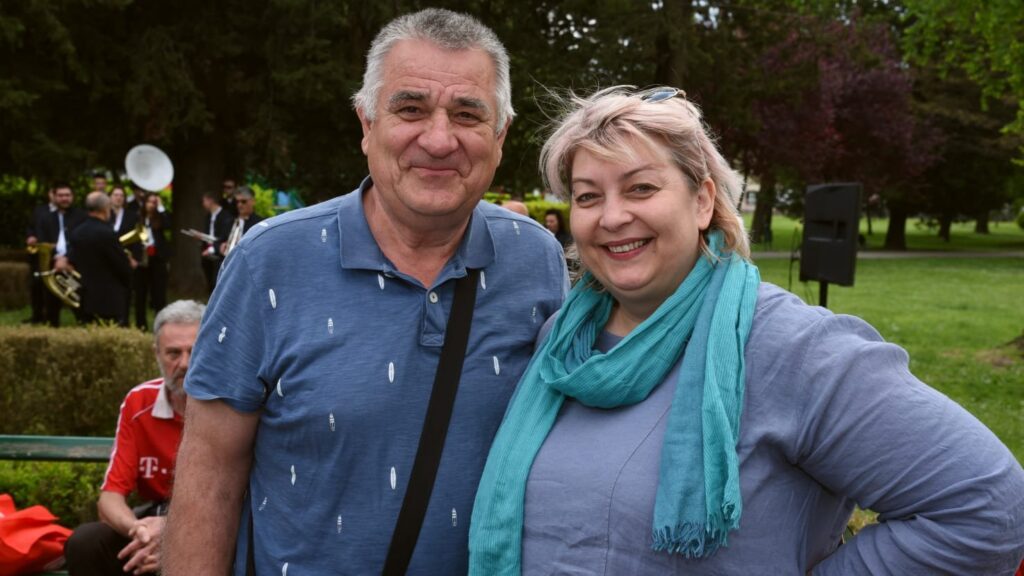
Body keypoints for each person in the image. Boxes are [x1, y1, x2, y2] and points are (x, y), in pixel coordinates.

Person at [468, 86, 1024, 575]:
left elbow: (989, 506)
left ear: (703, 201)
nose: (611, 217)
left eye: (640, 188)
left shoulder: (791, 347)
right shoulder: (561, 343)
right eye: (588, 196)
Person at [163, 8, 567, 575]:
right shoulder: (269, 260)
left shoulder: (536, 261)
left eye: (468, 114)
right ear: (366, 123)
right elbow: (210, 472)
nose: (439, 139)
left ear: (499, 136)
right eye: (411, 109)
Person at [64, 300, 205, 575]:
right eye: (173, 353)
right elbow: (109, 499)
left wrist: (173, 536)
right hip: (152, 520)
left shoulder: (231, 404)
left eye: (194, 351)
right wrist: (141, 533)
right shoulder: (139, 402)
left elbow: (240, 502)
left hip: (213, 526)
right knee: (86, 542)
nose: (185, 363)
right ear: (156, 354)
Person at [64, 192, 133, 326]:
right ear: (105, 208)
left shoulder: (77, 232)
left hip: (83, 297)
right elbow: (122, 267)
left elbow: (71, 261)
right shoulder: (107, 233)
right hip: (108, 299)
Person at [38, 183, 86, 326]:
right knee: (51, 305)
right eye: (60, 195)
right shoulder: (45, 218)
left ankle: (85, 328)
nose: (64, 198)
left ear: (72, 197)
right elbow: (42, 241)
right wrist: (57, 258)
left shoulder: (81, 217)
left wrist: (67, 259)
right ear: (54, 197)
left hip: (74, 266)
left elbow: (82, 241)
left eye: (67, 195)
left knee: (79, 301)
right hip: (52, 267)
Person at [133, 192, 171, 330]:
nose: (151, 205)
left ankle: (160, 325)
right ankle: (141, 325)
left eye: (154, 202)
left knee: (159, 294)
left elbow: (168, 225)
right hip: (142, 259)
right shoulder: (137, 217)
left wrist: (161, 208)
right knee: (140, 294)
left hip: (157, 259)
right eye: (149, 202)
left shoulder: (160, 218)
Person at [25, 187, 57, 324]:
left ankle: (51, 317)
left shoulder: (64, 213)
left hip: (55, 253)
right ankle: (36, 315)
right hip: (39, 254)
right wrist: (30, 236)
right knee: (36, 285)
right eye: (52, 192)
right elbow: (30, 226)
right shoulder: (39, 210)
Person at [200, 190, 233, 294]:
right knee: (210, 280)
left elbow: (224, 236)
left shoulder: (225, 216)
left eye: (204, 201)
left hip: (219, 253)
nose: (203, 204)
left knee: (217, 280)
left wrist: (213, 248)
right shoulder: (208, 216)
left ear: (211, 200)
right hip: (207, 251)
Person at [217, 186, 263, 256]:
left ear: (253, 201)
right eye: (237, 202)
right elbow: (218, 242)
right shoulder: (229, 222)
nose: (239, 205)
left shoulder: (259, 223)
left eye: (243, 201)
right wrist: (220, 246)